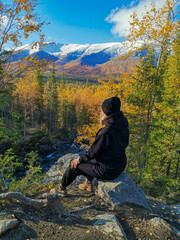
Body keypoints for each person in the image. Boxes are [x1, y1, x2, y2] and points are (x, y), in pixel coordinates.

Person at [57, 96, 129, 197]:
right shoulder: (123, 125)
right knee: (91, 159)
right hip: (119, 165)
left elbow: (93, 152)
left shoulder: (107, 131)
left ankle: (61, 188)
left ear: (106, 113)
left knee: (74, 166)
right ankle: (88, 184)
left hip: (107, 170)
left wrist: (79, 159)